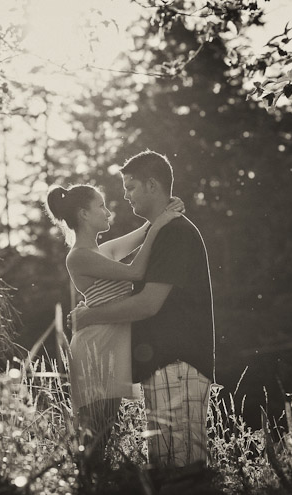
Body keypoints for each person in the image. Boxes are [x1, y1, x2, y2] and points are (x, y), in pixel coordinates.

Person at [72, 150, 215, 469]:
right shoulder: (162, 231)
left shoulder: (174, 233)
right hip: (164, 365)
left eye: (131, 186)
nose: (125, 195)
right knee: (167, 469)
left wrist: (90, 315)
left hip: (178, 363)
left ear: (152, 185)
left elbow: (149, 303)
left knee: (180, 471)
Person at [45, 184, 184, 464]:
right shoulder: (79, 256)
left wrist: (165, 210)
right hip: (95, 350)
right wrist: (161, 224)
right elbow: (137, 271)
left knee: (103, 431)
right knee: (94, 437)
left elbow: (145, 231)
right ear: (84, 214)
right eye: (101, 206)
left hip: (109, 347)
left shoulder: (103, 251)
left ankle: (94, 494)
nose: (108, 213)